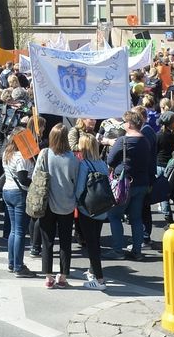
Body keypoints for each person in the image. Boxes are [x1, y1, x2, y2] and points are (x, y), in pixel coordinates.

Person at [107, 110, 155, 262]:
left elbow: (110, 160)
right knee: (136, 218)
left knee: (114, 215)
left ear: (129, 124)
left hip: (124, 183)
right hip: (141, 183)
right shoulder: (145, 140)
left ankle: (117, 250)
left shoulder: (123, 141)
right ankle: (137, 250)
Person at [38, 123, 80, 288]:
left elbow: (36, 176)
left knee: (47, 240)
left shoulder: (45, 153)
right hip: (67, 203)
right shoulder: (73, 159)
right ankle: (62, 276)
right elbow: (76, 182)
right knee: (65, 241)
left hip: (47, 202)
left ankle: (48, 276)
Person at [73, 134, 110, 290]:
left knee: (91, 244)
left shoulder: (84, 165)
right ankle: (92, 270)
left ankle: (100, 280)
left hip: (87, 209)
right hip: (102, 207)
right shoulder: (102, 163)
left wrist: (74, 201)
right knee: (96, 239)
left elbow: (80, 188)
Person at [0, 131, 35, 277]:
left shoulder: (7, 153)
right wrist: (35, 183)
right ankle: (18, 267)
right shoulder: (21, 156)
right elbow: (22, 178)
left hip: (7, 191)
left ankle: (12, 262)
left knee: (14, 230)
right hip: (19, 193)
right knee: (19, 231)